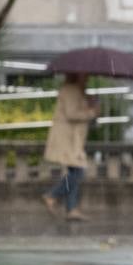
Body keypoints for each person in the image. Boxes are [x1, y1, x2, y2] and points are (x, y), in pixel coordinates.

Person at [42, 73, 99, 221]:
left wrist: (90, 104)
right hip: (67, 139)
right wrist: (91, 112)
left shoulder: (77, 90)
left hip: (73, 139)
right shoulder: (70, 90)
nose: (87, 78)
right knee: (78, 171)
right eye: (84, 75)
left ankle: (71, 208)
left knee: (75, 171)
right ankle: (52, 195)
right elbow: (71, 113)